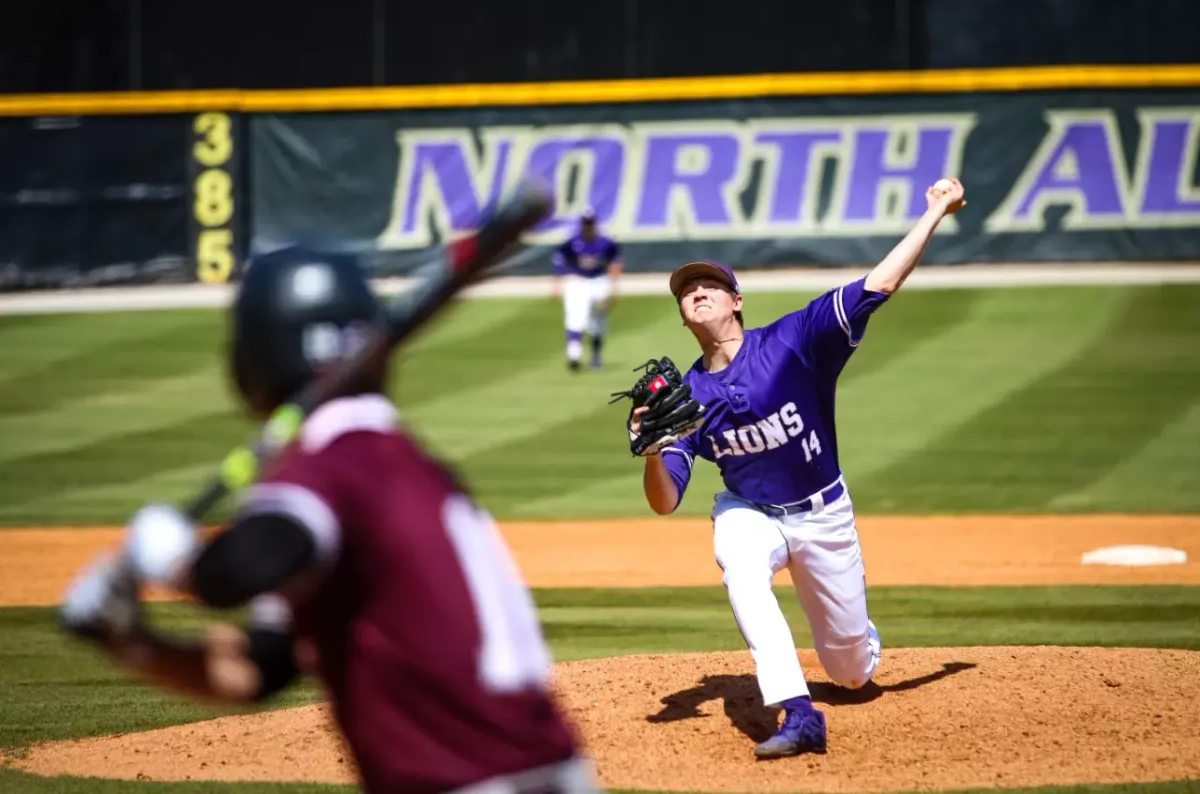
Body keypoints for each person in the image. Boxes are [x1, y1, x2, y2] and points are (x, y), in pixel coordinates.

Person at [58, 247, 597, 793]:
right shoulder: (394, 458)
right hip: (547, 771)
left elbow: (234, 572)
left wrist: (170, 558)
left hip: (463, 781)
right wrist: (130, 641)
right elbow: (259, 671)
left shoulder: (333, 462)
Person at [629, 179, 967, 760]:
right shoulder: (684, 398)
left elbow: (879, 284)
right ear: (683, 317)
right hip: (750, 511)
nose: (699, 292)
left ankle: (858, 647)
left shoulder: (793, 341)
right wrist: (655, 449)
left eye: (711, 284)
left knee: (852, 673)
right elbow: (664, 501)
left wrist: (936, 210)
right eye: (688, 291)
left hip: (823, 515)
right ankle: (799, 711)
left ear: (737, 301)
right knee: (739, 564)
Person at [550, 208, 622, 371]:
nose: (588, 226)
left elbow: (615, 261)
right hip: (577, 281)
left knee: (598, 320)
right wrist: (556, 284)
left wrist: (614, 287)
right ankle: (574, 355)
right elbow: (559, 260)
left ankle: (596, 356)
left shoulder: (605, 242)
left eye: (590, 223)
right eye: (585, 223)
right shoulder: (572, 241)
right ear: (581, 224)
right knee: (575, 316)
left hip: (599, 281)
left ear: (595, 224)